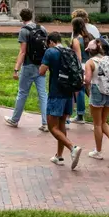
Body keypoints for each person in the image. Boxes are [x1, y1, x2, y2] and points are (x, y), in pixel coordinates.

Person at [40, 32, 83, 169]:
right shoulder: (70, 51)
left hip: (56, 93)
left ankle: (72, 148)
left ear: (51, 42)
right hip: (69, 93)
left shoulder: (50, 52)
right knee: (62, 124)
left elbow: (42, 71)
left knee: (52, 127)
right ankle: (59, 156)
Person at [5, 8, 49, 132]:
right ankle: (46, 123)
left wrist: (16, 69)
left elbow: (23, 52)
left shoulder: (24, 31)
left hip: (29, 66)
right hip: (41, 65)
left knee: (23, 93)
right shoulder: (42, 28)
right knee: (43, 94)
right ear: (32, 16)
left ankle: (14, 120)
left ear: (21, 18)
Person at [84, 38, 109, 159]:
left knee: (97, 124)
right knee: (103, 121)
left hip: (97, 91)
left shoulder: (90, 62)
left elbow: (87, 80)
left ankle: (98, 151)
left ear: (90, 51)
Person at [69, 17, 96, 124]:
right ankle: (98, 116)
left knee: (79, 90)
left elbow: (78, 58)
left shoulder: (76, 40)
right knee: (91, 91)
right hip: (93, 64)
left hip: (82, 66)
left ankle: (80, 115)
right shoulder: (91, 37)